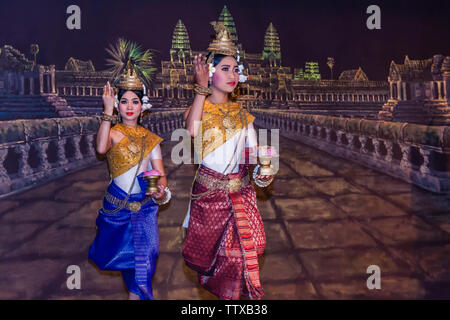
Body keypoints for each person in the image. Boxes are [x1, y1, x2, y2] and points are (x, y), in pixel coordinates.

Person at [181, 21, 275, 300]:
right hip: (210, 197)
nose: (233, 74)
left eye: (236, 69)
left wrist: (263, 173)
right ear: (209, 74)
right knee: (218, 265)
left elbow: (255, 155)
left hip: (239, 195)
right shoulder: (198, 109)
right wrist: (200, 90)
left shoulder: (242, 114)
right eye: (225, 68)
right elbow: (192, 131)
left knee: (242, 257)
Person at [88, 61, 171, 300]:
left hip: (143, 210)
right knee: (127, 264)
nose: (130, 106)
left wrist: (161, 191)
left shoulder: (151, 139)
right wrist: (106, 112)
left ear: (143, 105)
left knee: (145, 263)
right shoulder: (113, 133)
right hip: (117, 209)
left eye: (135, 101)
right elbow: (101, 148)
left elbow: (160, 173)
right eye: (124, 101)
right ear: (118, 104)